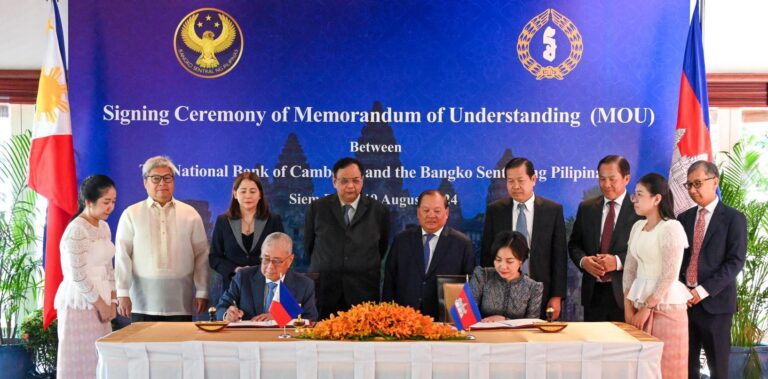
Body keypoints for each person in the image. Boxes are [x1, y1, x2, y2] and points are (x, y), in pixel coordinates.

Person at [115, 156, 209, 322]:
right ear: (145, 182)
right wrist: (122, 292)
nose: (162, 183)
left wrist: (202, 291)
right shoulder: (131, 214)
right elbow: (123, 256)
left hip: (181, 303)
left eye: (167, 178)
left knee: (178, 348)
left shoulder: (190, 214)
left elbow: (201, 256)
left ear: (174, 181)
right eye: (155, 178)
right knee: (143, 348)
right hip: (142, 303)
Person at [678, 161, 746, 379]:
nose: (692, 190)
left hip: (715, 305)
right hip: (684, 304)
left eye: (697, 183)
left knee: (718, 369)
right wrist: (682, 291)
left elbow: (735, 262)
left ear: (714, 181)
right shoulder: (684, 218)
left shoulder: (734, 218)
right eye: (688, 185)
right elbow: (679, 260)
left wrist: (702, 291)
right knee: (687, 368)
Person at [480, 157, 567, 320]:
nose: (515, 186)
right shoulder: (495, 210)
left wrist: (557, 296)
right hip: (501, 295)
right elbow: (487, 254)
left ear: (533, 179)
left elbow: (559, 257)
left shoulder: (552, 210)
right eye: (510, 181)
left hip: (542, 293)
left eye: (520, 180)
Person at [623, 173, 691, 379]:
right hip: (636, 303)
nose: (634, 200)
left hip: (665, 307)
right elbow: (629, 269)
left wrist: (647, 308)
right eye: (634, 195)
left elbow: (670, 273)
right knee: (639, 369)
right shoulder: (637, 226)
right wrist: (628, 307)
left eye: (640, 195)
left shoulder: (671, 227)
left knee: (666, 368)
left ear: (657, 198)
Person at [305, 157, 390, 319]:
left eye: (355, 180)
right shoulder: (317, 208)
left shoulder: (379, 211)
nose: (350, 186)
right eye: (344, 181)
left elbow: (382, 247)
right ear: (334, 181)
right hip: (325, 291)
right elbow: (309, 246)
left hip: (363, 292)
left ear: (362, 180)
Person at [55, 175, 117, 378]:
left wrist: (113, 301)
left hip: (104, 303)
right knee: (81, 364)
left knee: (102, 363)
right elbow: (78, 276)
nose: (111, 207)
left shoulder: (104, 227)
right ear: (88, 202)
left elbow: (109, 268)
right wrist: (101, 305)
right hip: (80, 304)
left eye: (113, 202)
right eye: (106, 202)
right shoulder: (76, 230)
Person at [382, 190, 475, 320]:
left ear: (446, 213)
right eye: (426, 210)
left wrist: (463, 324)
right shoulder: (401, 240)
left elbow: (469, 287)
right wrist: (387, 317)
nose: (431, 215)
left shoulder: (462, 244)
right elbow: (389, 281)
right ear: (418, 212)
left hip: (445, 322)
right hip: (404, 320)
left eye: (437, 211)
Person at [569, 155, 640, 321]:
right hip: (593, 294)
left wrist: (617, 262)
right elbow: (574, 245)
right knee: (593, 345)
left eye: (612, 179)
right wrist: (583, 261)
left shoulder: (639, 210)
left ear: (626, 178)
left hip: (626, 295)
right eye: (602, 179)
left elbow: (647, 252)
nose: (606, 185)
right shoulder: (587, 208)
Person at [218, 232, 318, 321]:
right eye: (266, 259)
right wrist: (227, 315)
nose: (270, 266)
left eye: (277, 261)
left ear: (290, 260)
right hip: (249, 339)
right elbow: (221, 307)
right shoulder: (243, 277)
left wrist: (279, 318)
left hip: (285, 340)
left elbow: (310, 320)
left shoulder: (304, 285)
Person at [209, 172, 284, 289]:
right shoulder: (223, 221)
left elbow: (282, 254)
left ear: (260, 195)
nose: (248, 196)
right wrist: (235, 270)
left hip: (266, 287)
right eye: (243, 191)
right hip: (233, 288)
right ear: (235, 194)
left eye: (253, 191)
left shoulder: (273, 220)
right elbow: (214, 257)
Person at [470, 231, 543, 321]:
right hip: (481, 333)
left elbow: (532, 324)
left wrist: (505, 320)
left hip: (517, 335)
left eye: (509, 261)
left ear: (521, 261)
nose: (503, 266)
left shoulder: (533, 288)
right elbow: (465, 314)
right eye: (498, 259)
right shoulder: (482, 276)